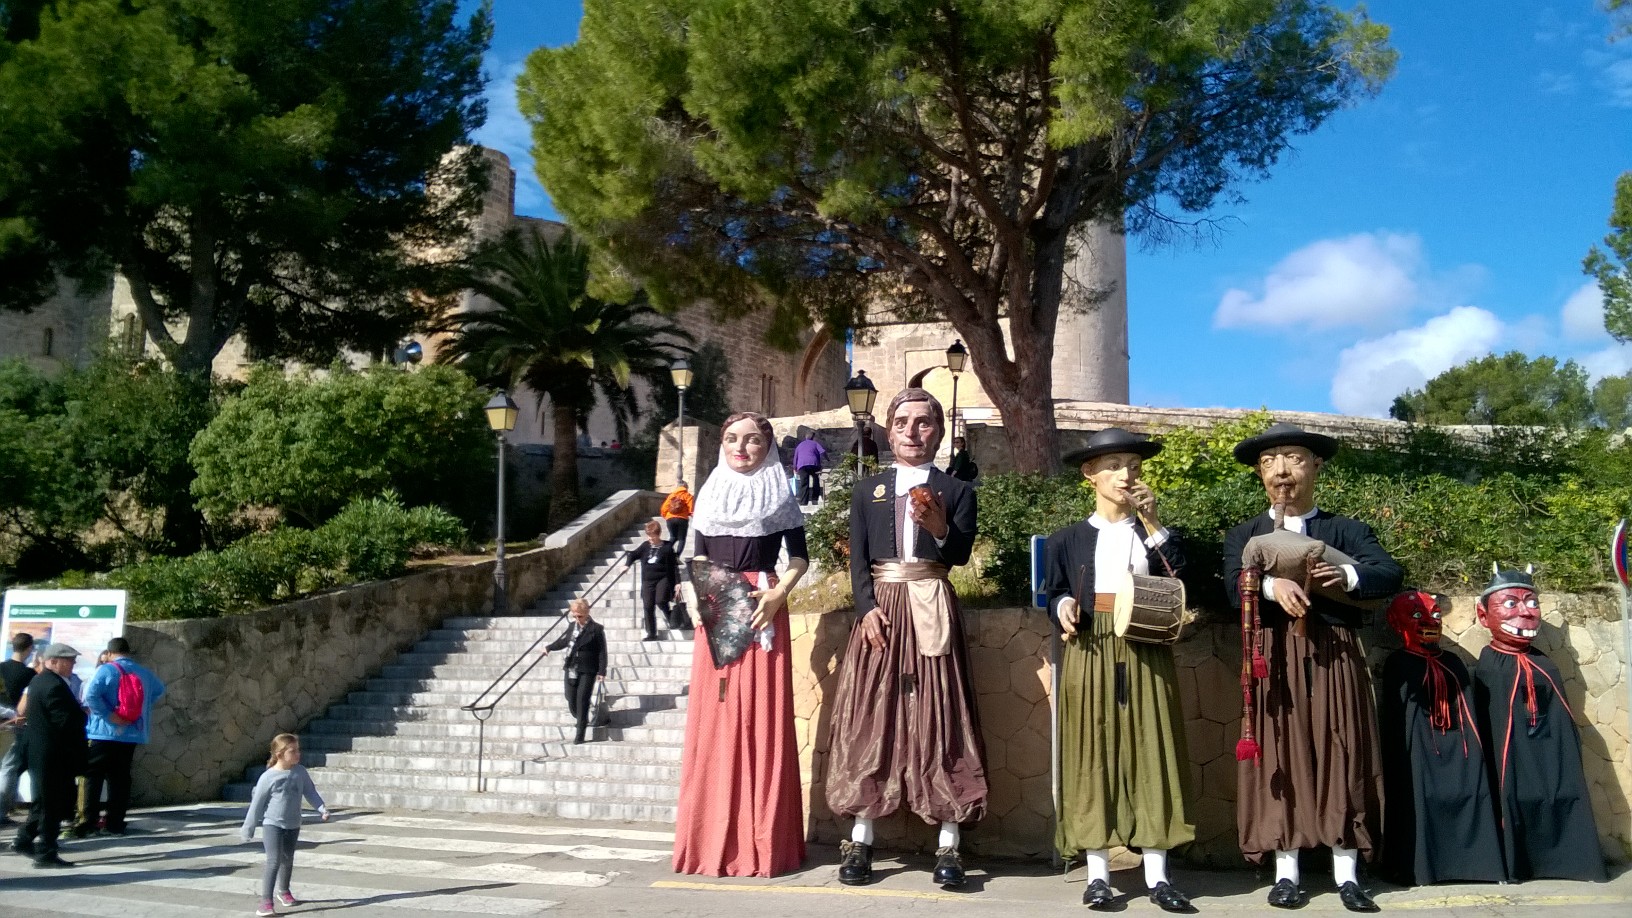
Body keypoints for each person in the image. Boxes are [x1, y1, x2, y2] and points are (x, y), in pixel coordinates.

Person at [1223, 422, 1402, 913]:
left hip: (1334, 652)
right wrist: (1270, 586)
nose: (1281, 470)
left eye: (1294, 458)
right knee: (1281, 754)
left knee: (1341, 750)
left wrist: (1343, 574)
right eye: (1269, 462)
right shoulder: (1245, 534)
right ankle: (1287, 874)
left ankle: (1347, 874)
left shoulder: (1347, 531)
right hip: (1272, 656)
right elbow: (1230, 586)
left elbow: (1389, 573)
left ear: (1316, 466)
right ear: (1260, 474)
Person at [826, 388, 984, 890]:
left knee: (941, 713)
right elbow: (858, 562)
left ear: (938, 431)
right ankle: (861, 838)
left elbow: (958, 556)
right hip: (882, 612)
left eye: (923, 423)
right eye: (902, 423)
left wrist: (939, 528)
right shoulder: (867, 491)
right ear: (888, 433)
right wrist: (866, 609)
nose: (912, 432)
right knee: (872, 717)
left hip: (932, 604)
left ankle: (949, 842)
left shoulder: (957, 491)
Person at [1043, 428, 1195, 913]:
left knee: (1152, 749)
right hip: (1090, 645)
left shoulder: (1154, 534)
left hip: (1147, 643)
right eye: (1113, 466)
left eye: (1133, 465)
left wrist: (1154, 523)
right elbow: (1053, 592)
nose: (1126, 475)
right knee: (1090, 753)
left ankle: (1157, 876)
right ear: (1090, 474)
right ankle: (1098, 877)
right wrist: (1063, 606)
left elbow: (1183, 578)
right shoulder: (1066, 539)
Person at [672, 410, 808, 877]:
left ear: (766, 447)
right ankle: (709, 839)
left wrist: (778, 593)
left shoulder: (779, 494)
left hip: (759, 603)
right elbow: (697, 557)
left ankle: (762, 842)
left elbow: (800, 557)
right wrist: (694, 598)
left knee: (760, 715)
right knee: (716, 715)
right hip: (714, 606)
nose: (741, 447)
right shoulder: (709, 494)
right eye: (732, 438)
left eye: (752, 440)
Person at [1471, 568, 1606, 883]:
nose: (1526, 612)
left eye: (1532, 603)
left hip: (1547, 756)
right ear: (1483, 615)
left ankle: (1572, 860)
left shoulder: (1545, 663)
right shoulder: (1490, 666)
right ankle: (1517, 864)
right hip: (1514, 765)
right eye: (1511, 603)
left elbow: (1559, 722)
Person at [1376, 590, 1505, 886]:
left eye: (1436, 614)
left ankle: (1479, 865)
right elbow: (1399, 721)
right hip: (1420, 751)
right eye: (1417, 615)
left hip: (1459, 746)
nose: (1431, 621)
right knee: (1419, 796)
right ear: (1396, 623)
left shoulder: (1454, 661)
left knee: (1472, 790)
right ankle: (1423, 868)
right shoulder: (1399, 664)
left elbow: (1467, 709)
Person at [76, 636, 166, 837]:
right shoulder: (144, 672)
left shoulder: (106, 670)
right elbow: (159, 690)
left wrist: (110, 715)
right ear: (128, 652)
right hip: (132, 733)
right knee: (120, 778)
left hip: (104, 732)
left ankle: (89, 822)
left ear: (109, 653)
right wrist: (135, 711)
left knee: (94, 776)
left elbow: (91, 695)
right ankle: (115, 823)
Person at [10, 643, 86, 868]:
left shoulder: (39, 681)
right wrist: (82, 715)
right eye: (69, 660)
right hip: (52, 754)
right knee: (51, 804)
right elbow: (65, 721)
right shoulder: (53, 685)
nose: (73, 664)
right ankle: (45, 852)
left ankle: (24, 840)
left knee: (43, 802)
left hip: (43, 752)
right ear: (53, 661)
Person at [241, 733, 330, 917]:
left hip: (293, 824)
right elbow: (257, 804)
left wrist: (321, 808)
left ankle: (284, 891)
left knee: (288, 859)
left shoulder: (300, 772)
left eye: (298, 750)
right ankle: (266, 902)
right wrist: (248, 828)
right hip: (272, 825)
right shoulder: (268, 777)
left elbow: (310, 792)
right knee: (274, 861)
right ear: (280, 754)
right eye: (293, 751)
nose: (298, 754)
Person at [540, 600, 607, 745]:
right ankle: (582, 718)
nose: (577, 619)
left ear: (586, 613)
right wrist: (549, 648)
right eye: (574, 616)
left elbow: (602, 652)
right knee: (570, 697)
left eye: (580, 616)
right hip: (571, 666)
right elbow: (564, 642)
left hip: (588, 669)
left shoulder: (596, 629)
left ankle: (580, 733)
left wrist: (602, 671)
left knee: (582, 699)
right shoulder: (572, 627)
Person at [0, 633, 37, 823]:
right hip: (15, 723)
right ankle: (2, 812)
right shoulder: (29, 674)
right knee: (8, 768)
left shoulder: (1, 668)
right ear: (29, 649)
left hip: (1, 721)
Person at [626, 520, 681, 640]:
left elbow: (674, 566)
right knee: (648, 605)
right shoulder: (645, 546)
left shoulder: (667, 547)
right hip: (648, 580)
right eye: (648, 535)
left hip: (663, 578)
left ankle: (670, 616)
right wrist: (627, 565)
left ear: (659, 534)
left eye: (653, 535)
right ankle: (651, 633)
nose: (650, 538)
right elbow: (633, 554)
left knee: (660, 600)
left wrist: (677, 582)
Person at [792, 431, 829, 505]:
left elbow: (795, 457)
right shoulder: (815, 443)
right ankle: (814, 499)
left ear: (805, 437)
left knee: (804, 483)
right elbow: (822, 451)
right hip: (814, 464)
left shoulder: (800, 445)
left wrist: (794, 467)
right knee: (816, 480)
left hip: (802, 465)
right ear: (813, 437)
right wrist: (827, 459)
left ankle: (803, 502)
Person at [661, 481, 694, 553]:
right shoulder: (688, 495)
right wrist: (690, 514)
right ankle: (677, 556)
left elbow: (664, 508)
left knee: (673, 537)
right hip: (682, 519)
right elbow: (691, 508)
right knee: (682, 539)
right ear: (686, 487)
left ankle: (665, 552)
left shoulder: (671, 496)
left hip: (670, 519)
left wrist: (666, 516)